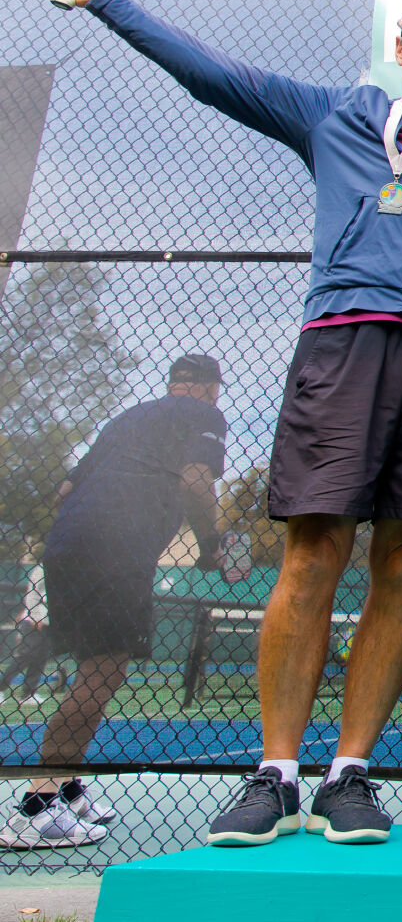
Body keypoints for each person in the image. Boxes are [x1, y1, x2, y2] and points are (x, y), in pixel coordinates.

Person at [53, 0, 402, 848]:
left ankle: (350, 774)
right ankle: (276, 773)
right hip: (341, 349)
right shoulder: (333, 114)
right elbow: (211, 74)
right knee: (312, 555)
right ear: (401, 49)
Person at [0, 355, 226, 850]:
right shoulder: (203, 414)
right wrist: (211, 543)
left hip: (66, 546)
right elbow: (195, 481)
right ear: (211, 388)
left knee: (91, 666)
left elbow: (64, 490)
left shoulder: (126, 419)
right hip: (116, 551)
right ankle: (36, 809)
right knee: (103, 672)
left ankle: (68, 787)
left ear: (172, 383)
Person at [6, 548, 52, 706]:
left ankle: (28, 693)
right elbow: (32, 592)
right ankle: (1, 687)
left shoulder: (60, 570)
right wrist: (35, 616)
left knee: (41, 656)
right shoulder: (42, 568)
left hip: (49, 619)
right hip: (35, 619)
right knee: (27, 654)